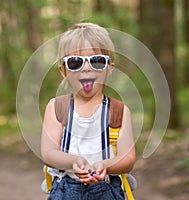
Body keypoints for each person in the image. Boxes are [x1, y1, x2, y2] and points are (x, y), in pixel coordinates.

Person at [41, 22, 136, 200]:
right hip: (66, 191)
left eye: (97, 61)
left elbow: (128, 158)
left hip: (107, 189)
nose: (86, 68)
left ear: (109, 68)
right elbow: (48, 153)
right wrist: (73, 161)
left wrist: (105, 165)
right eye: (75, 63)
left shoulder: (119, 112)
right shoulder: (57, 108)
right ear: (63, 71)